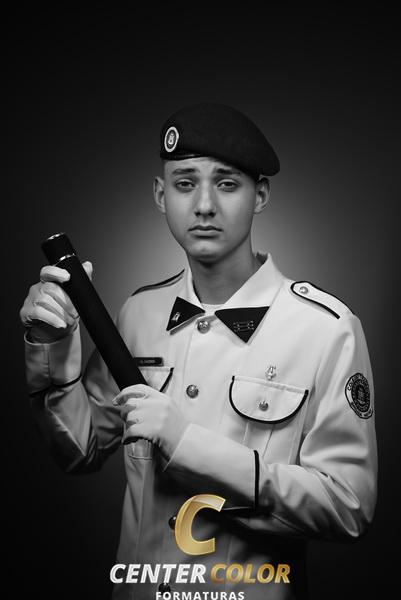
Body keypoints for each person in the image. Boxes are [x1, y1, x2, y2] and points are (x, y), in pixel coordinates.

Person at [20, 103, 377, 600]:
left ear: (260, 195)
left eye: (227, 184)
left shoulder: (326, 330)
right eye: (185, 183)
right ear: (160, 195)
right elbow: (79, 450)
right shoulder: (140, 312)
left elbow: (347, 506)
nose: (204, 205)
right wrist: (50, 344)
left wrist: (187, 444)